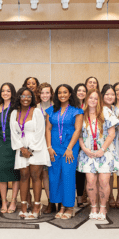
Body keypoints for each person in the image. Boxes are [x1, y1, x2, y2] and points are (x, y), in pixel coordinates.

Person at [78, 89, 119, 221]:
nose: (93, 101)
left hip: (105, 152)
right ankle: (93, 207)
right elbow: (78, 134)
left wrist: (102, 149)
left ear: (99, 101)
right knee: (90, 182)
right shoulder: (81, 114)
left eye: (96, 99)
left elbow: (112, 134)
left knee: (103, 181)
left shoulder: (106, 112)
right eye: (91, 98)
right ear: (86, 99)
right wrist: (84, 148)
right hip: (88, 153)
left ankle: (102, 207)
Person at [10, 87, 51, 219]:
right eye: (23, 96)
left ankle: (36, 207)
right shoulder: (14, 113)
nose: (26, 98)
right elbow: (13, 133)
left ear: (32, 98)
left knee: (35, 176)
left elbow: (40, 132)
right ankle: (23, 207)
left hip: (36, 148)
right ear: (19, 98)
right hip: (21, 148)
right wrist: (22, 148)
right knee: (23, 176)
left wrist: (31, 150)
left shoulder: (37, 112)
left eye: (28, 96)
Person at [46, 84, 83, 219]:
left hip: (70, 147)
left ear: (69, 94)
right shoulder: (51, 110)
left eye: (65, 92)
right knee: (56, 175)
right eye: (59, 93)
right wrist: (49, 147)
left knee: (68, 175)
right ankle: (61, 206)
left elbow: (78, 130)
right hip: (54, 147)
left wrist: (69, 148)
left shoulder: (76, 110)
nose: (62, 95)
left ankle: (70, 207)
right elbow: (48, 129)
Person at [0, 83, 20, 214]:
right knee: (1, 174)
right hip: (1, 145)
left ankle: (13, 200)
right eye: (3, 91)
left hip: (15, 145)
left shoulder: (17, 108)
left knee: (15, 174)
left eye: (8, 91)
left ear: (12, 93)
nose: (5, 93)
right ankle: (4, 201)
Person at [101, 84, 119, 209]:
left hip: (118, 143)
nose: (110, 97)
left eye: (112, 94)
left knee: (118, 171)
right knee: (106, 173)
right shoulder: (98, 109)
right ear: (102, 96)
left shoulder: (117, 110)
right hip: (104, 145)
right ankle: (109, 197)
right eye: (107, 94)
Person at [36, 82, 56, 214]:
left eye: (47, 92)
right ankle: (50, 202)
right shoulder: (35, 108)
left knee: (54, 174)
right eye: (42, 92)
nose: (45, 95)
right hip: (39, 144)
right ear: (39, 94)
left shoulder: (56, 108)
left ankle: (56, 200)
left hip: (53, 144)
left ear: (51, 94)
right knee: (44, 175)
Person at [74, 83, 88, 207]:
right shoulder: (71, 106)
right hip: (72, 140)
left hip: (86, 141)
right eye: (79, 90)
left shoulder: (90, 106)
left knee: (81, 171)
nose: (81, 92)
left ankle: (80, 197)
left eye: (84, 90)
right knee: (72, 169)